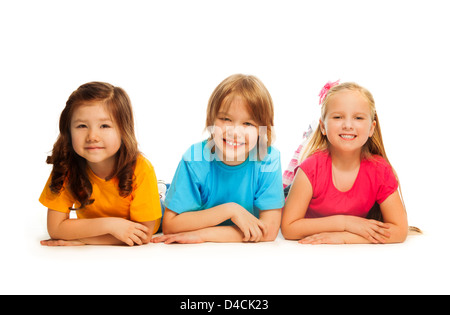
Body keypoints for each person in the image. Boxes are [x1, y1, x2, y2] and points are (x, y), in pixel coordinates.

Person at [151, 74, 285, 244]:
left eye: (248, 123)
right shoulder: (194, 158)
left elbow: (268, 230)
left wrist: (202, 235)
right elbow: (170, 225)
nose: (235, 132)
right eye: (226, 119)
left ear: (262, 129)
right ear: (211, 120)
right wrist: (230, 210)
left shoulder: (269, 159)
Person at [281, 81, 409, 244]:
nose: (348, 125)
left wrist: (345, 237)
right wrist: (345, 223)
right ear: (322, 126)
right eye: (337, 117)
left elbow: (399, 230)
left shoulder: (380, 170)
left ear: (371, 128)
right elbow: (289, 228)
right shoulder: (310, 168)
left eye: (358, 118)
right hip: (290, 194)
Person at [39, 82, 162, 246]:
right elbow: (55, 229)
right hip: (115, 228)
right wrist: (111, 225)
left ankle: (161, 190)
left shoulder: (141, 169)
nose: (92, 136)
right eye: (82, 126)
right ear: (68, 131)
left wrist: (81, 238)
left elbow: (143, 235)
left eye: (104, 125)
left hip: (160, 205)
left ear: (123, 130)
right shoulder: (66, 167)